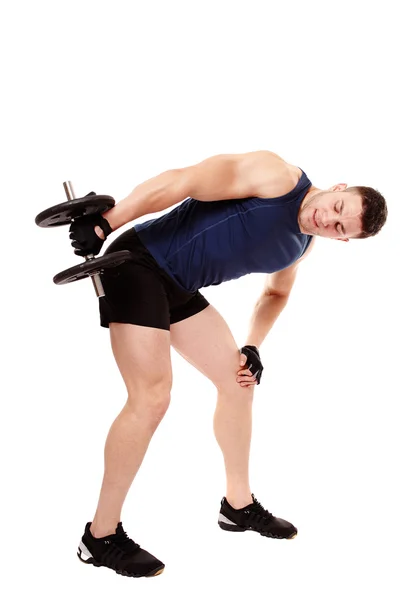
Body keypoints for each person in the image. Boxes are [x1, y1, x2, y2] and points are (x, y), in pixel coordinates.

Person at [70, 150, 388, 578]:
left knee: (239, 381)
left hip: (178, 285)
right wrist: (108, 221)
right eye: (336, 208)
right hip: (138, 263)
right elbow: (183, 180)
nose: (326, 221)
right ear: (338, 188)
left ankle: (237, 506)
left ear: (342, 240)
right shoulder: (276, 176)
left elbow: (276, 295)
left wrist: (253, 347)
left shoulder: (303, 244)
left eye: (338, 228)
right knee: (152, 398)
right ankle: (100, 536)